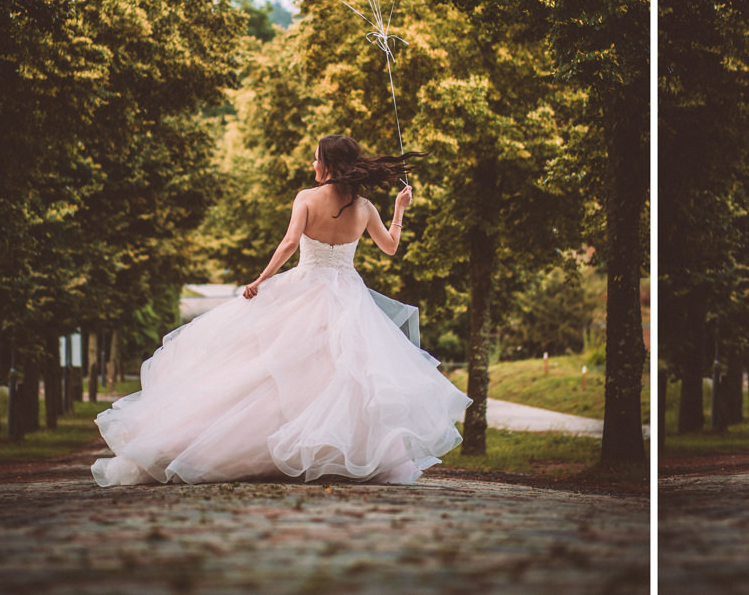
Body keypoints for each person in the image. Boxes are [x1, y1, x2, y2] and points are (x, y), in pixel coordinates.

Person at [92, 135, 471, 486]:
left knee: (275, 367)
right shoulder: (366, 207)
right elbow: (390, 247)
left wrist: (261, 279)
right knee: (341, 373)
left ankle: (268, 446)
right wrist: (399, 209)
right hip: (348, 297)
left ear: (327, 164)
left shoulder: (306, 197)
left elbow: (290, 243)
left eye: (317, 157)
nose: (312, 162)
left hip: (305, 288)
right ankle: (333, 450)